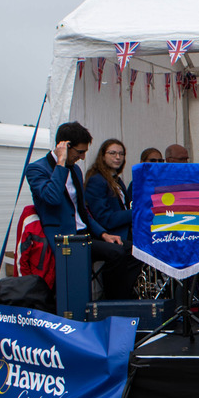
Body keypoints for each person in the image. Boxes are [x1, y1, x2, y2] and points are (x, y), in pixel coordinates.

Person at [26, 122, 136, 300]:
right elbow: (52, 198)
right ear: (65, 147)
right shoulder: (37, 169)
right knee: (79, 284)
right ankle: (108, 303)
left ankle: (116, 303)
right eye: (79, 152)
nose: (83, 157)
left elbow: (81, 209)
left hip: (84, 234)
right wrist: (60, 163)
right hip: (63, 238)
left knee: (127, 251)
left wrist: (103, 234)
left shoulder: (75, 169)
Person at [84, 139, 133, 245]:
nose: (118, 157)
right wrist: (136, 212)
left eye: (121, 154)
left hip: (128, 233)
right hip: (113, 236)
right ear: (102, 156)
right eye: (112, 153)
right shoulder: (96, 180)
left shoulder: (117, 180)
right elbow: (105, 219)